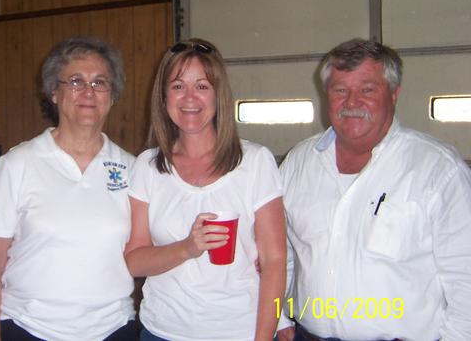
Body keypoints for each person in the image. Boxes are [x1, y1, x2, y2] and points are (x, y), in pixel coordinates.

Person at [276, 38, 471, 341]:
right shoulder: (299, 162)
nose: (352, 103)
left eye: (367, 90)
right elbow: (280, 251)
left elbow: (465, 281)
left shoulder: (437, 170)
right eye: (341, 90)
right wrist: (279, 316)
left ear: (394, 94)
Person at [125, 39, 287, 341]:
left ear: (218, 95)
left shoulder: (255, 162)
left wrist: (265, 337)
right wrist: (187, 247)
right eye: (177, 86)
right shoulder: (147, 166)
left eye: (202, 86)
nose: (190, 98)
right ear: (163, 97)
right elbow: (134, 260)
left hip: (239, 332)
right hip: (163, 332)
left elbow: (275, 262)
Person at [0, 36, 136, 341]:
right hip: (29, 327)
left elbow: (152, 244)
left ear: (112, 96)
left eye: (100, 82)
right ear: (54, 92)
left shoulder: (133, 168)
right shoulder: (17, 164)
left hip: (113, 328)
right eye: (76, 81)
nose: (89, 92)